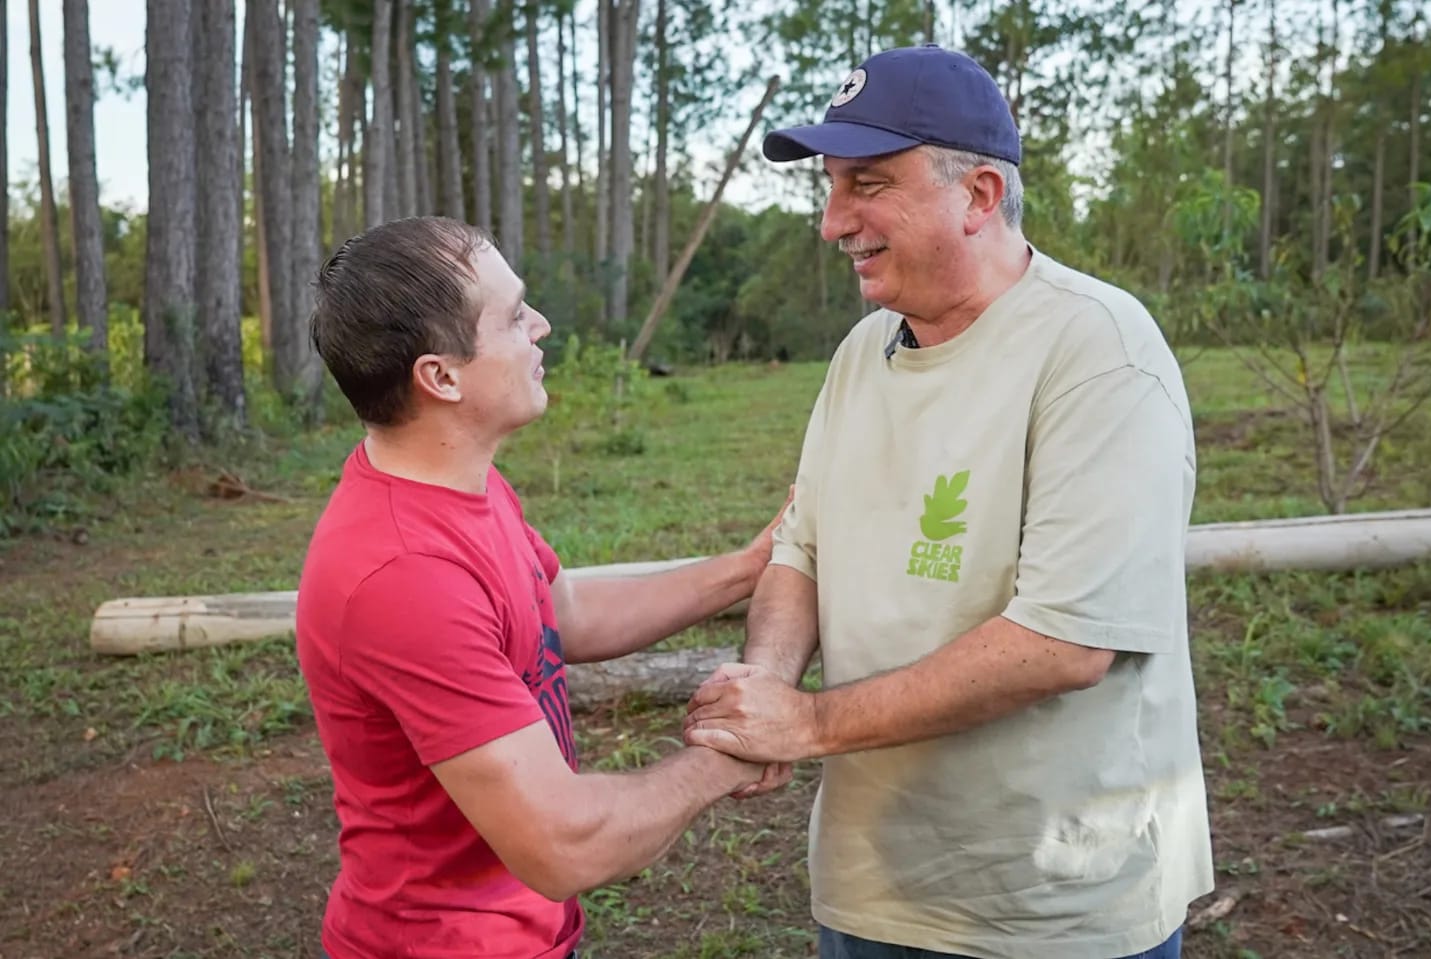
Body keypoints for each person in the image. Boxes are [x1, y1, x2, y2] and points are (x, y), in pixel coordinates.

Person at [684, 45, 1214, 959]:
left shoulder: (1098, 351)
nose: (832, 221)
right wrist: (769, 678)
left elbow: (1065, 640)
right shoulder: (862, 352)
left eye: (867, 185)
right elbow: (800, 549)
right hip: (869, 884)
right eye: (831, 186)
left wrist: (806, 722)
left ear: (976, 195)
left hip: (1051, 906)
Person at [296, 216, 778, 959]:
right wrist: (726, 756)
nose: (542, 325)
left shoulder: (458, 484)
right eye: (515, 314)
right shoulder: (403, 574)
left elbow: (564, 615)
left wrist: (747, 567)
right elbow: (563, 843)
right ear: (442, 376)